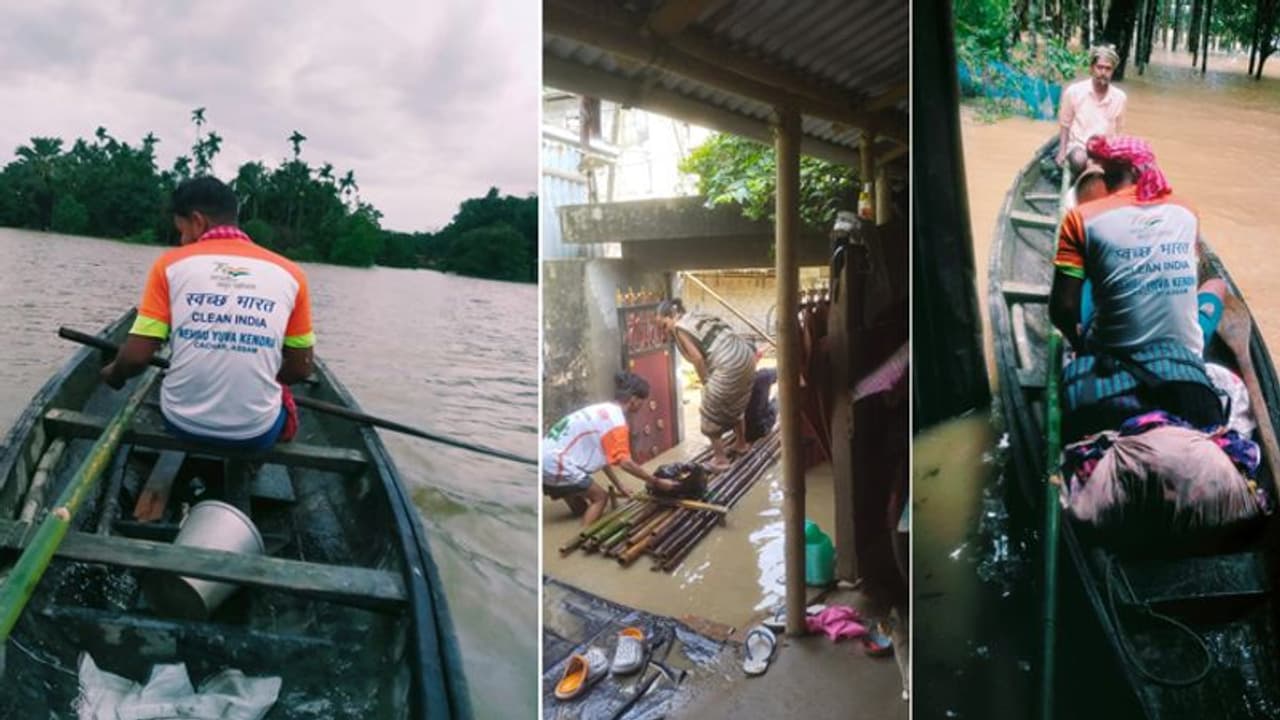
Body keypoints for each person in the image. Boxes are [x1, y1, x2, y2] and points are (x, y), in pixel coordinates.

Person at [101, 177, 314, 451]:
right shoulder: (292, 274)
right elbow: (301, 367)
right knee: (277, 405)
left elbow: (135, 358)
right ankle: (246, 463)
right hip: (255, 433)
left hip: (182, 424)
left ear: (198, 222)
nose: (181, 240)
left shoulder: (169, 266)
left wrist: (115, 374)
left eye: (181, 231)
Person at [1050, 135, 1224, 440]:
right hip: (1186, 352)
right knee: (1216, 285)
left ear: (1104, 173)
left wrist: (1079, 346)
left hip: (1111, 353)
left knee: (1091, 282)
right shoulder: (1186, 210)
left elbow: (1062, 309)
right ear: (1143, 170)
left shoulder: (1081, 218)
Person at [542, 372, 675, 526]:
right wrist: (656, 481)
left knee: (581, 507)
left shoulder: (602, 410)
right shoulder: (616, 423)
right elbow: (625, 463)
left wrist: (619, 486)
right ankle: (582, 536)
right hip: (556, 463)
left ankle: (576, 511)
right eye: (642, 402)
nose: (642, 406)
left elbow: (604, 458)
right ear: (633, 400)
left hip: (544, 458)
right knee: (600, 498)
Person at [657, 299, 757, 471]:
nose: (664, 332)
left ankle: (720, 459)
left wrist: (706, 383)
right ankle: (741, 444)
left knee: (709, 410)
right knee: (735, 403)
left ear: (673, 315)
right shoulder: (696, 316)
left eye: (664, 326)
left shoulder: (680, 327)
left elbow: (697, 359)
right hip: (746, 357)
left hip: (730, 364)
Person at [1056, 44, 1127, 174]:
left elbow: (1119, 132)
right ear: (1092, 68)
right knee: (1079, 159)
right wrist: (1062, 151)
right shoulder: (1074, 92)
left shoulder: (1120, 97)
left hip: (1105, 149)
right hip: (1079, 147)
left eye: (1108, 69)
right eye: (1099, 67)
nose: (1103, 72)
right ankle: (1090, 168)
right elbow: (1065, 125)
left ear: (1113, 71)